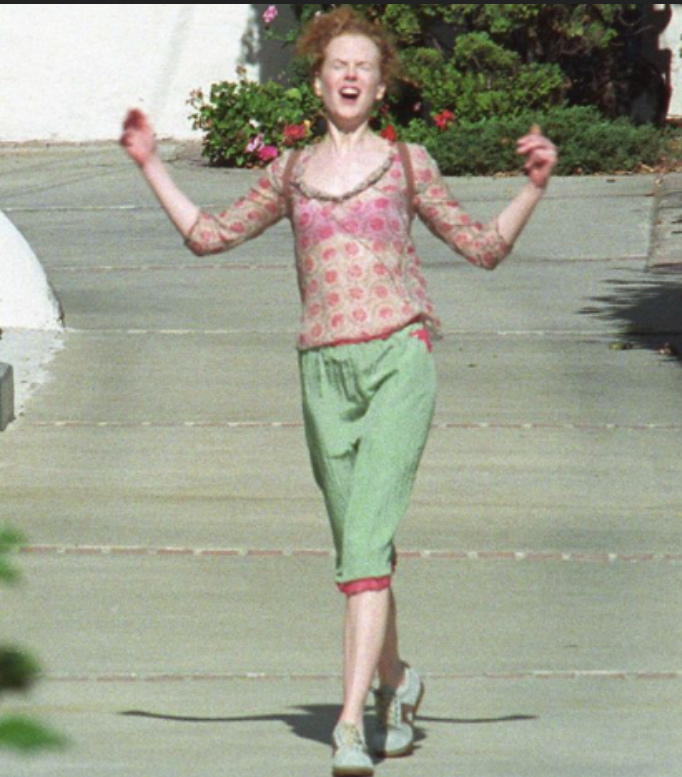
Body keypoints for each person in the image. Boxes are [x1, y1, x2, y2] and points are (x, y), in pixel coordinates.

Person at [121, 7, 557, 775]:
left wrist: (533, 189)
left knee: (363, 547)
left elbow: (482, 247)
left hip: (399, 358)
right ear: (319, 81)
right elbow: (209, 236)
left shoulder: (409, 163)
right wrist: (151, 164)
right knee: (364, 547)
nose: (350, 75)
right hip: (322, 370)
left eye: (364, 66)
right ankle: (398, 679)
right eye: (337, 65)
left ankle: (350, 724)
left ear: (381, 86)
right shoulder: (290, 172)